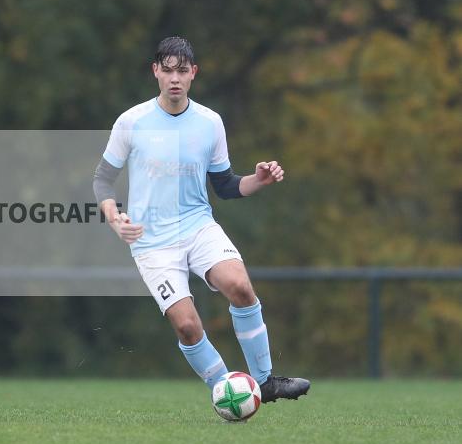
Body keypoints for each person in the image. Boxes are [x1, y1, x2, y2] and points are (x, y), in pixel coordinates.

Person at [93, 36, 310, 403]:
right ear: (155, 72)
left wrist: (259, 179)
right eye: (167, 70)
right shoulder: (132, 122)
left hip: (198, 227)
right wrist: (114, 218)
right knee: (188, 326)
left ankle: (266, 381)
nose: (174, 78)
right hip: (151, 242)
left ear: (193, 73)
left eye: (182, 71)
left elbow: (224, 185)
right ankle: (231, 393)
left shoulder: (210, 122)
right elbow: (102, 179)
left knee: (239, 286)